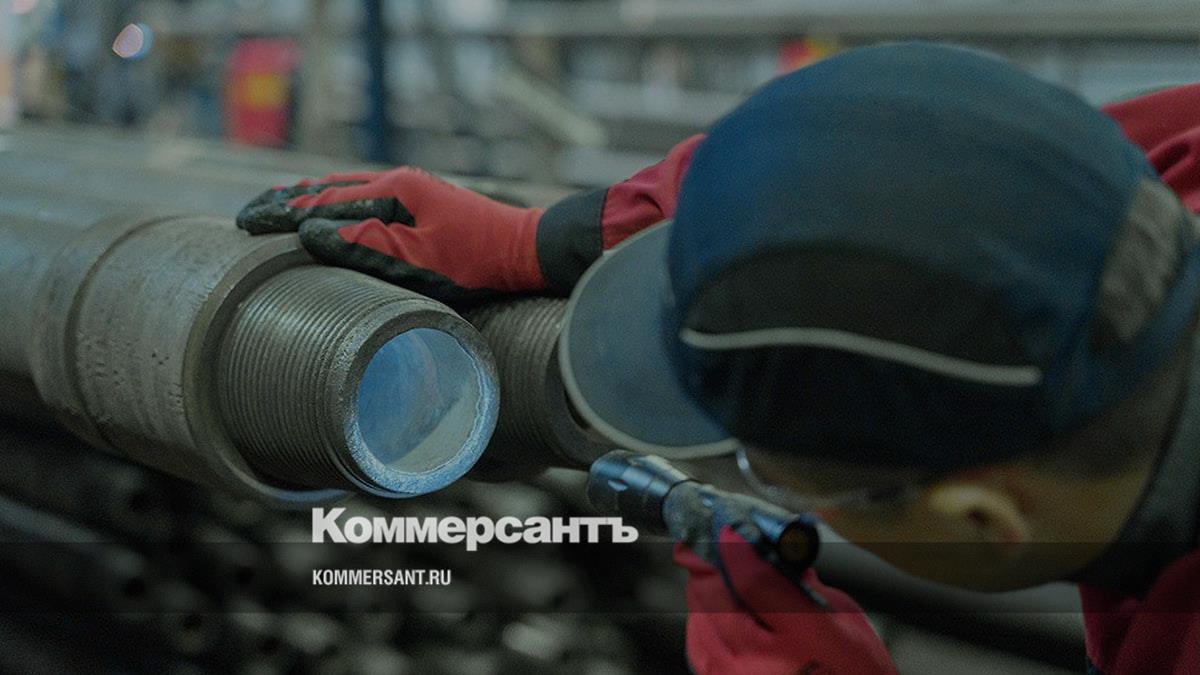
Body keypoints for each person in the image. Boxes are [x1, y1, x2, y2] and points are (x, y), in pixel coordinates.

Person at [239, 43, 1200, 674]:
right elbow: (909, 147)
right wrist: (546, 240)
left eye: (767, 471)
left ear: (983, 521)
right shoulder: (1159, 186)